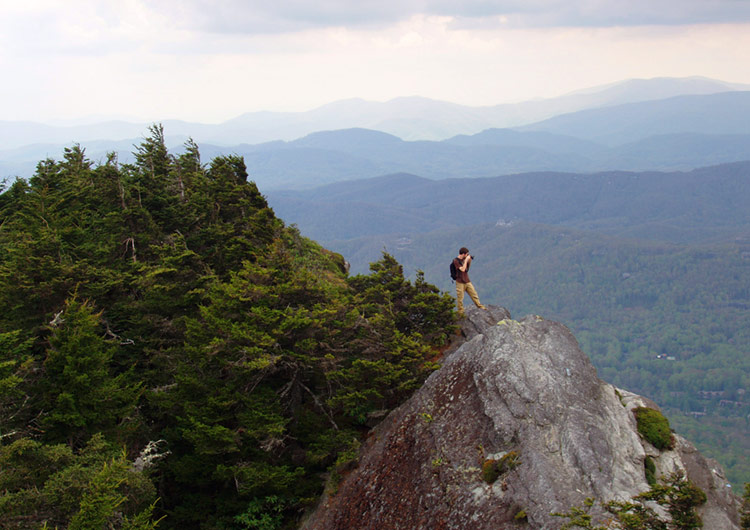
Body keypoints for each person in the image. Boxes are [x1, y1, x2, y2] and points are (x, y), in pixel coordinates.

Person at [453, 247, 486, 316]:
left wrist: (469, 260)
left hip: (467, 280)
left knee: (474, 294)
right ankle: (461, 311)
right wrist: (465, 261)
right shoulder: (456, 261)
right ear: (463, 254)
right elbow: (462, 269)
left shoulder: (464, 259)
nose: (467, 255)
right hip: (459, 281)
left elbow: (467, 269)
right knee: (460, 297)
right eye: (467, 254)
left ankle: (480, 306)